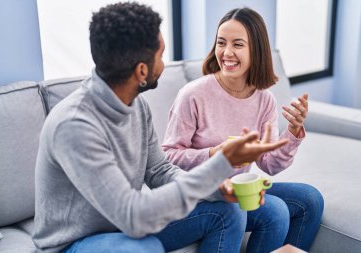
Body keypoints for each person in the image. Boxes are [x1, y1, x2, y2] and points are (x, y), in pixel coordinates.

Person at [32, 3, 288, 253]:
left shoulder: (136, 105)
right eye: (161, 55)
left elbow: (159, 170)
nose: (164, 65)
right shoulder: (74, 125)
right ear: (142, 70)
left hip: (122, 225)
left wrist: (218, 189)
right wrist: (221, 162)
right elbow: (133, 215)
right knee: (146, 248)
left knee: (228, 211)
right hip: (77, 241)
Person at [162, 7, 324, 253]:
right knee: (276, 212)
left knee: (310, 199)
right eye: (221, 43)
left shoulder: (264, 99)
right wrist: (214, 153)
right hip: (199, 194)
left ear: (256, 49)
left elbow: (270, 165)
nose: (226, 52)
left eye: (238, 44)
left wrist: (293, 130)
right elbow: (169, 155)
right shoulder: (193, 95)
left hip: (237, 189)